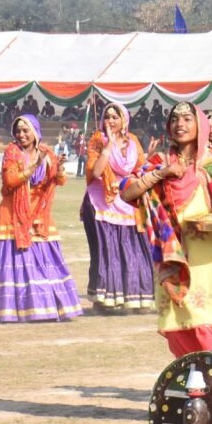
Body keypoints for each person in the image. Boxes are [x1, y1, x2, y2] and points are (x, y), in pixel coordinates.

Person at [120, 102, 212, 359]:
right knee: (180, 325)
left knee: (208, 320)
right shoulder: (160, 161)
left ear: (198, 124)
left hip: (207, 256)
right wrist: (163, 173)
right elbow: (127, 191)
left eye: (187, 119)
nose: (180, 124)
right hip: (173, 254)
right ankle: (194, 383)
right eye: (175, 119)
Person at [0, 114, 83, 322]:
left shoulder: (46, 152)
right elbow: (10, 180)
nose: (20, 134)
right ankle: (16, 309)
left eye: (25, 130)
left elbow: (60, 180)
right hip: (13, 213)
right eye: (18, 131)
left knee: (45, 260)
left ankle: (46, 306)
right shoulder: (12, 152)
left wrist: (60, 168)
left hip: (39, 213)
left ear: (35, 131)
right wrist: (33, 166)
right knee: (19, 260)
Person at [80, 102, 155, 312]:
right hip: (102, 201)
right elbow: (95, 173)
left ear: (124, 120)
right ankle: (102, 300)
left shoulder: (133, 142)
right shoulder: (97, 140)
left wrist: (149, 158)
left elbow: (139, 169)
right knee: (107, 251)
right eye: (107, 117)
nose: (110, 121)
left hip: (128, 200)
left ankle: (137, 298)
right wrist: (108, 146)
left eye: (115, 117)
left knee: (134, 250)